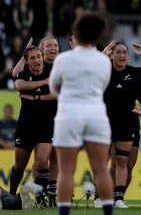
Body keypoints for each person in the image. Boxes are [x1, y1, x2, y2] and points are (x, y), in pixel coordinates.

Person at [48, 13, 114, 215]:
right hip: (96, 116)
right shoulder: (103, 61)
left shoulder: (63, 59)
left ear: (75, 33)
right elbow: (102, 87)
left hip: (68, 115)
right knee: (101, 169)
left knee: (66, 169)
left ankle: (64, 213)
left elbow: (53, 89)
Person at [99, 41, 141, 208]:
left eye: (124, 52)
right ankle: (100, 197)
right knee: (103, 160)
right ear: (111, 55)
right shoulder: (103, 71)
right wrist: (103, 52)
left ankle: (118, 198)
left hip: (128, 123)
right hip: (104, 123)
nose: (121, 55)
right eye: (118, 52)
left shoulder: (133, 74)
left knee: (123, 161)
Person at [12, 35, 60, 207]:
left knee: (50, 157)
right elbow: (17, 79)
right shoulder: (32, 69)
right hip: (31, 122)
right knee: (30, 162)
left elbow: (59, 93)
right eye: (49, 46)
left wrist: (34, 98)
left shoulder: (59, 68)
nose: (53, 48)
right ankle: (31, 194)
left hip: (54, 119)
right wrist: (25, 53)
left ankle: (49, 194)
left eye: (55, 45)